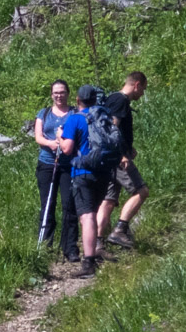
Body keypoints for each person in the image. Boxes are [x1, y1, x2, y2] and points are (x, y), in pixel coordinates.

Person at [94, 71, 148, 250]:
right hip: (117, 159)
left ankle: (97, 245)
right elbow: (111, 129)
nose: (142, 94)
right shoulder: (121, 100)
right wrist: (121, 154)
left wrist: (128, 146)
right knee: (141, 191)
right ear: (137, 84)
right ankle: (119, 230)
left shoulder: (111, 99)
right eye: (143, 89)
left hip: (107, 158)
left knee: (108, 200)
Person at [30, 79, 80, 262]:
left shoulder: (75, 113)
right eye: (55, 93)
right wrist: (51, 143)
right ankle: (45, 245)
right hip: (47, 164)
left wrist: (66, 142)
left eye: (62, 92)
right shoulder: (43, 114)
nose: (59, 95)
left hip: (68, 164)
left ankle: (70, 247)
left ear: (67, 93)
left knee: (69, 205)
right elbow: (38, 136)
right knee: (48, 204)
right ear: (51, 95)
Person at [64, 85, 105, 277]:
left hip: (82, 172)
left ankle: (89, 263)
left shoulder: (75, 119)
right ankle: (96, 250)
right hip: (104, 172)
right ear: (95, 100)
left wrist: (59, 136)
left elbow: (67, 148)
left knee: (86, 216)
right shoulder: (103, 115)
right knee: (94, 212)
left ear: (78, 100)